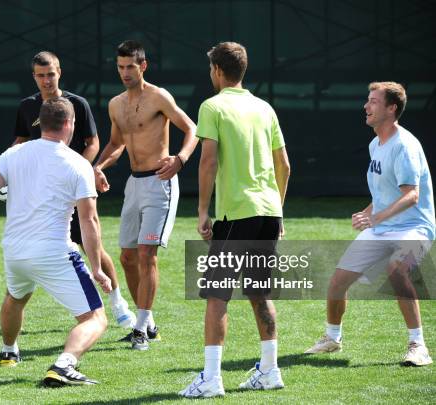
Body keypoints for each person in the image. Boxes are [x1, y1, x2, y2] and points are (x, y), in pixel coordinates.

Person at [0, 97, 112, 386]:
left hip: (15, 251)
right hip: (54, 253)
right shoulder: (78, 163)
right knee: (95, 318)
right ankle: (64, 365)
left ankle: (8, 351)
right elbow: (89, 221)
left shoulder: (13, 153)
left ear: (40, 124)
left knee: (16, 297)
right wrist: (97, 268)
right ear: (69, 125)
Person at [179, 41, 290, 398]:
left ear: (216, 71)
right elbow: (284, 165)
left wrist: (202, 211)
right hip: (268, 211)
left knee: (216, 295)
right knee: (260, 292)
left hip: (236, 214)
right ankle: (270, 371)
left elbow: (207, 160)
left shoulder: (212, 106)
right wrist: (278, 209)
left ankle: (211, 378)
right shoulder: (265, 108)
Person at [305, 82, 434, 367]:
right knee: (338, 282)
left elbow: (411, 195)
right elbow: (384, 193)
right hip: (382, 227)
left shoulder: (405, 146)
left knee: (396, 270)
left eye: (374, 101)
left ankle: (418, 345)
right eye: (367, 100)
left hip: (415, 227)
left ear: (391, 108)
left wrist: (375, 218)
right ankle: (332, 339)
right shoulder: (376, 143)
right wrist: (367, 212)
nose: (366, 106)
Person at [9, 51, 135, 329]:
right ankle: (19, 312)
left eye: (50, 74)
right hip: (41, 194)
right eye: (40, 75)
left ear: (59, 72)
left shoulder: (77, 103)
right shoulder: (27, 106)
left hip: (73, 189)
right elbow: (20, 141)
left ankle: (117, 303)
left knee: (93, 247)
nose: (46, 80)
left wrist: (81, 168)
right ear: (34, 76)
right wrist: (10, 170)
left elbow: (92, 142)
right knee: (37, 247)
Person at [93, 40, 198, 350]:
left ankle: (140, 327)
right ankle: (148, 325)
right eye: (120, 67)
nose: (125, 72)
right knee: (126, 256)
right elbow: (115, 144)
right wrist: (98, 166)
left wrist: (180, 159)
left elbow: (191, 128)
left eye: (130, 67)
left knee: (145, 254)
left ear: (143, 66)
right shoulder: (116, 104)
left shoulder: (158, 96)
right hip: (134, 184)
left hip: (160, 182)